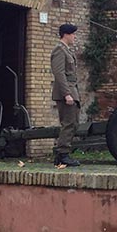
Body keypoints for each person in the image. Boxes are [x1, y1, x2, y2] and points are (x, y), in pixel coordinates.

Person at [51, 24, 81, 167]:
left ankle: (61, 154)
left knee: (73, 123)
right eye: (73, 34)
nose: (75, 37)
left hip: (72, 91)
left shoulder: (67, 51)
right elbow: (59, 73)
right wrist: (67, 94)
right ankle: (63, 154)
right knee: (68, 123)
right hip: (66, 93)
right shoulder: (59, 50)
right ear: (66, 35)